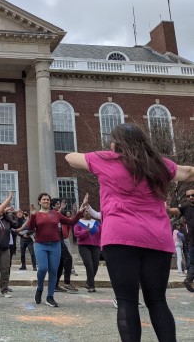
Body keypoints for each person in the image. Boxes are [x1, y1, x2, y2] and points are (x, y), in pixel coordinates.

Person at [66, 123, 194, 341]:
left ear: (118, 144)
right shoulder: (160, 165)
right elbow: (189, 172)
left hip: (120, 238)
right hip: (157, 238)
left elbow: (70, 157)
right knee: (157, 301)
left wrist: (108, 154)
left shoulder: (106, 159)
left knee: (126, 301)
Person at [14, 193, 84, 307]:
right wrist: (32, 216)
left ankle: (50, 297)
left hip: (55, 245)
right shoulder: (36, 215)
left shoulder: (56, 214)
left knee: (53, 271)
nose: (46, 201)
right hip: (41, 244)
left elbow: (71, 222)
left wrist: (80, 211)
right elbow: (31, 229)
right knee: (42, 268)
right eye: (44, 199)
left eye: (48, 199)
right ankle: (40, 288)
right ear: (39, 202)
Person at [166, 189, 194, 292]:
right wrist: (167, 202)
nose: (191, 197)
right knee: (192, 263)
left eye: (193, 195)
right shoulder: (185, 207)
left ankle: (189, 279)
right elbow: (170, 210)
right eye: (188, 196)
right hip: (192, 240)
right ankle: (188, 280)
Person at [73, 194, 102, 292]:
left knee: (95, 266)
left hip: (95, 246)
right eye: (85, 211)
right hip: (83, 246)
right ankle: (92, 286)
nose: (87, 213)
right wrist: (86, 231)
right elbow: (76, 234)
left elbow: (102, 234)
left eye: (88, 211)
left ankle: (88, 282)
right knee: (89, 265)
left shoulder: (97, 223)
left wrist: (101, 245)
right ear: (82, 213)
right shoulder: (78, 222)